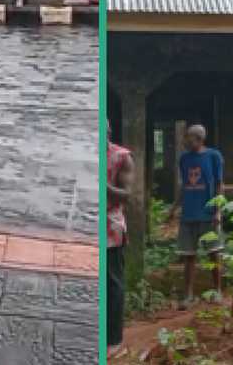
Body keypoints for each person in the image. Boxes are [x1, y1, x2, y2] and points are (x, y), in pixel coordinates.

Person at [168, 124, 224, 309]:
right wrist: (174, 208)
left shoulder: (214, 156)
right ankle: (189, 295)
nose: (186, 141)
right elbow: (185, 185)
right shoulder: (184, 159)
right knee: (189, 256)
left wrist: (217, 210)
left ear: (199, 139)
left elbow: (219, 185)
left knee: (214, 253)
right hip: (189, 215)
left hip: (208, 214)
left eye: (189, 138)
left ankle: (217, 291)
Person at [106, 121, 134, 359]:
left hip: (110, 228)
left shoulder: (121, 157)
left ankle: (114, 339)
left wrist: (105, 187)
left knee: (112, 284)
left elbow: (127, 195)